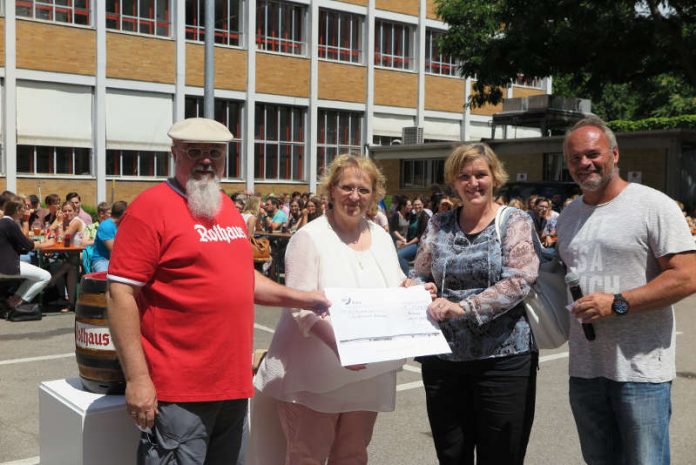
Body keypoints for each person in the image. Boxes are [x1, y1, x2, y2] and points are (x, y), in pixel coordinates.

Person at [106, 118, 329, 465]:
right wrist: (137, 379)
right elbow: (119, 294)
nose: (206, 160)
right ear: (175, 153)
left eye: (215, 152)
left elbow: (244, 279)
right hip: (178, 389)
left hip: (232, 385)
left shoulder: (225, 208)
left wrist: (303, 297)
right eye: (194, 151)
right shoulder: (150, 208)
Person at [250, 154, 436, 465]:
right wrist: (339, 344)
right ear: (331, 191)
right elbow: (300, 308)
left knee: (352, 455)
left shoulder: (380, 237)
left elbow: (396, 283)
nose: (354, 196)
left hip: (368, 373)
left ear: (374, 195)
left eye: (363, 190)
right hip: (314, 375)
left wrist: (415, 292)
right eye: (347, 187)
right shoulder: (309, 237)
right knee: (307, 456)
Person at [556, 116, 696, 465]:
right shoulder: (570, 214)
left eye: (593, 153)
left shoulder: (652, 205)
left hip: (641, 372)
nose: (584, 163)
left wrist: (618, 303)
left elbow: (688, 276)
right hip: (586, 370)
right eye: (575, 158)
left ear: (615, 155)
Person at [412, 142, 540, 465]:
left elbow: (520, 280)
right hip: (443, 361)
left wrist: (464, 307)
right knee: (451, 455)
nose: (473, 183)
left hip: (503, 361)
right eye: (464, 176)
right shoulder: (439, 224)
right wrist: (416, 288)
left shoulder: (515, 221)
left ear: (494, 176)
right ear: (454, 183)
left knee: (501, 457)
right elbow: (418, 273)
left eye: (480, 174)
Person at [0, 197, 54, 311]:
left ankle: (13, 299)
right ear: (18, 210)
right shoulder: (10, 223)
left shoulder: (4, 222)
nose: (25, 211)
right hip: (8, 267)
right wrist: (48, 243)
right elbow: (28, 245)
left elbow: (19, 246)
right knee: (46, 276)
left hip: (4, 265)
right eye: (23, 208)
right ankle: (19, 302)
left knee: (36, 277)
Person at [90, 201, 127, 273]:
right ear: (123, 214)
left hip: (118, 259)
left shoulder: (123, 225)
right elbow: (114, 250)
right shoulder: (106, 226)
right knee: (105, 277)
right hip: (102, 260)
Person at [396, 197, 429, 276]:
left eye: (419, 204)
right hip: (411, 242)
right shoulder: (413, 216)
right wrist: (403, 240)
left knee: (400, 255)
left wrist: (407, 244)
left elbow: (420, 236)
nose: (417, 206)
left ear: (423, 205)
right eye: (415, 205)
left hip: (420, 245)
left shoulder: (425, 217)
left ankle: (407, 277)